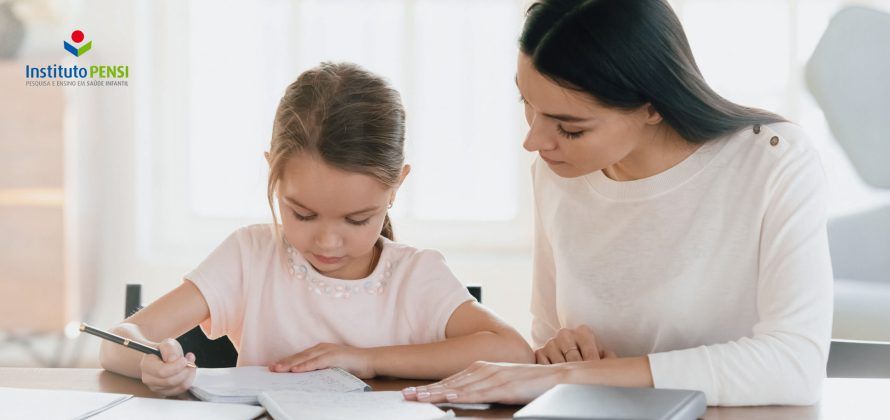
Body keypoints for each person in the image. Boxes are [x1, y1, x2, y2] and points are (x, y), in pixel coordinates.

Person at [403, 0, 832, 406]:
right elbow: (550, 337)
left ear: (652, 108)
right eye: (527, 105)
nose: (533, 141)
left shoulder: (772, 160)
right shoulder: (557, 174)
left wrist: (571, 377)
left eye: (570, 128)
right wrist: (559, 355)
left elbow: (794, 365)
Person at [99, 62, 533, 396]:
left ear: (396, 186)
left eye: (357, 219)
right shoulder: (250, 255)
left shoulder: (414, 276)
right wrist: (149, 361)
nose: (327, 241)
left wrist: (366, 360)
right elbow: (115, 342)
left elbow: (513, 351)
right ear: (273, 171)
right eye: (302, 214)